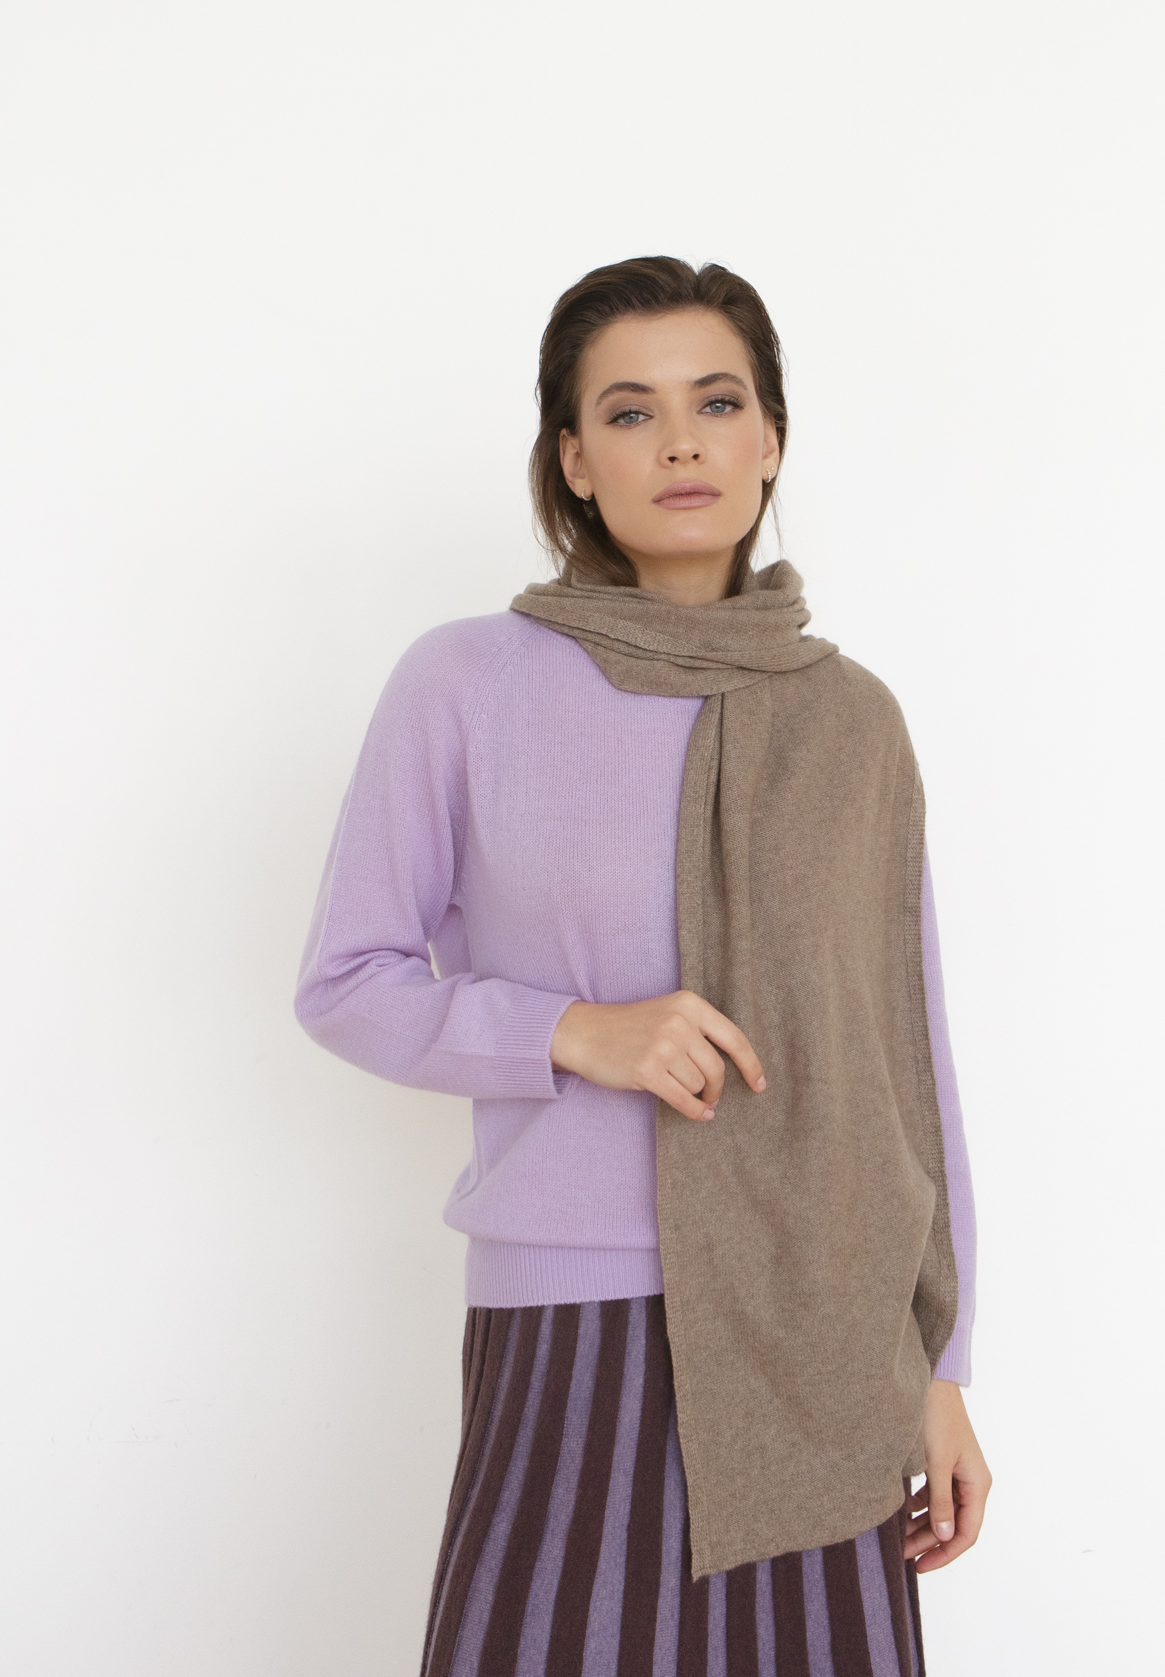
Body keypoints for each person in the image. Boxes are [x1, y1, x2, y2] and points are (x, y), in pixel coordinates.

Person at [294, 256, 991, 1677]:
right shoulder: (468, 682)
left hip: (826, 1314)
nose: (680, 443)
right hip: (581, 1311)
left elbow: (904, 1064)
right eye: (629, 412)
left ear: (770, 439)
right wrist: (574, 1030)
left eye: (716, 402)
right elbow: (347, 980)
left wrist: (939, 1363)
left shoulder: (852, 721)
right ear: (573, 460)